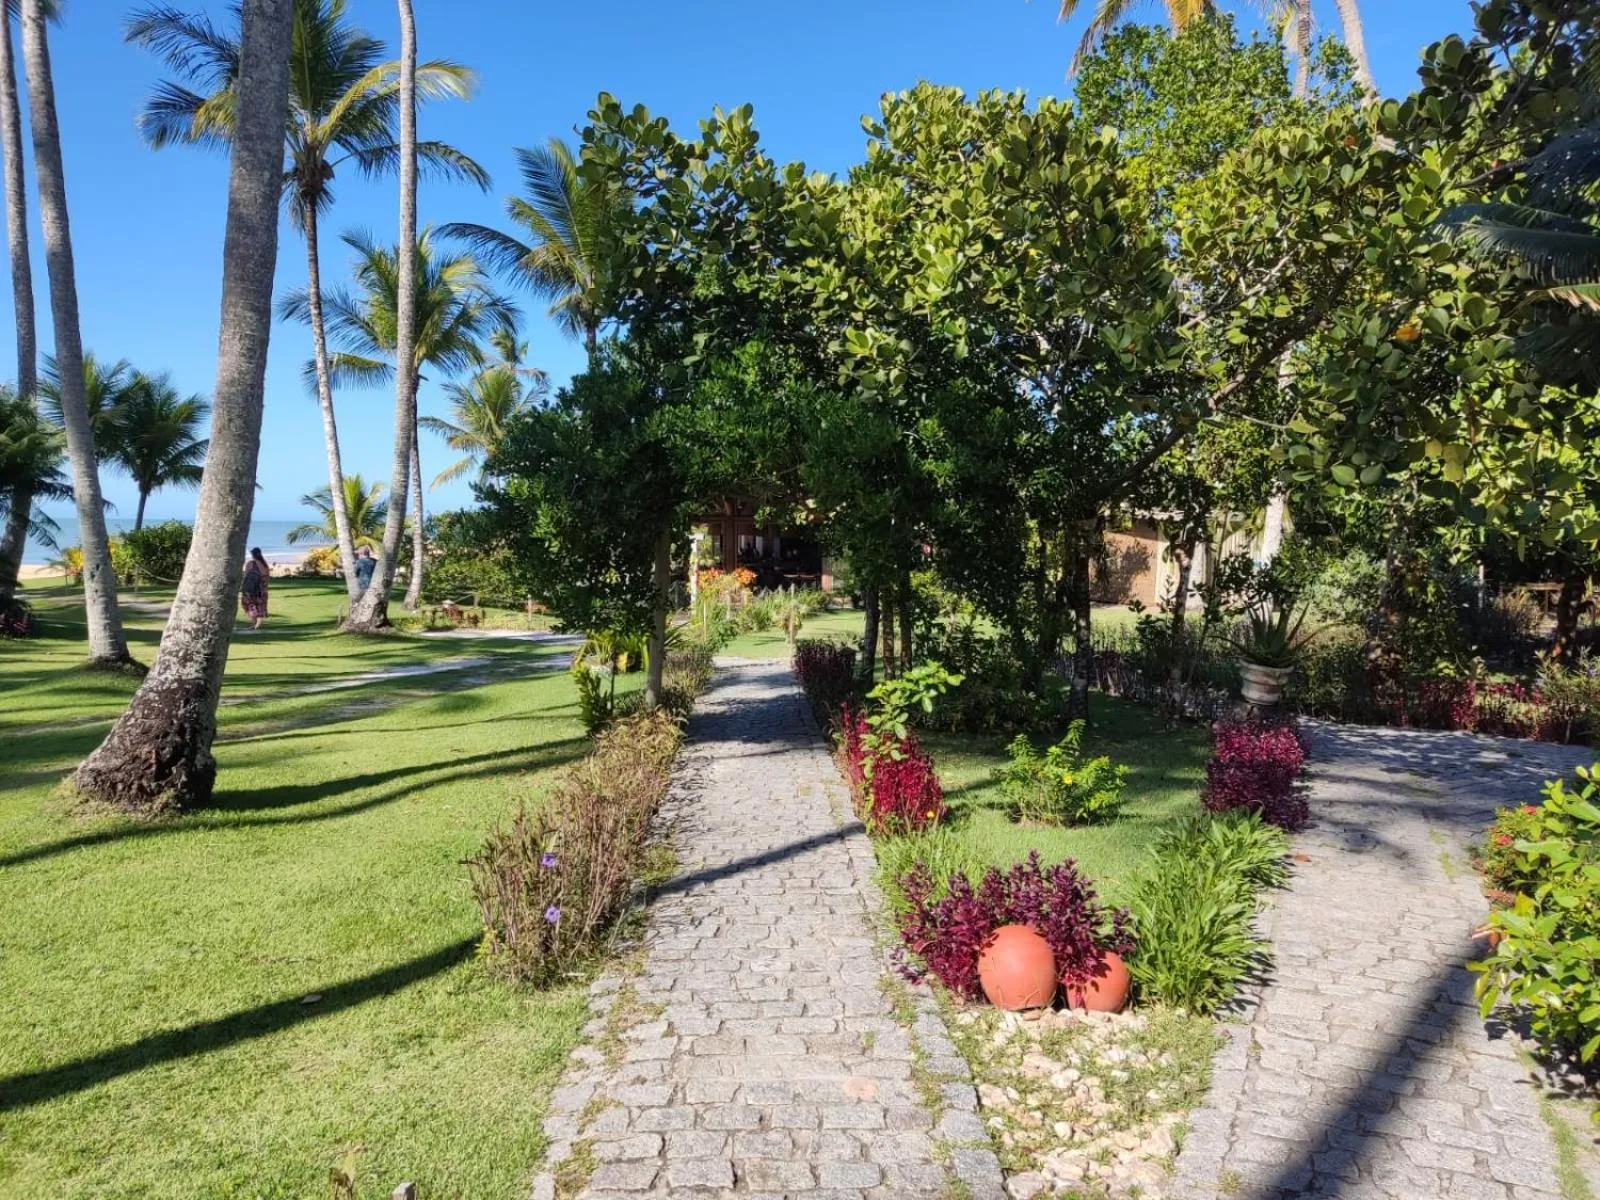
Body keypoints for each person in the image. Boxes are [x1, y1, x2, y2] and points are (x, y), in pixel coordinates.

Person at [240, 547, 270, 630]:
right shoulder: (264, 564)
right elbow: (266, 577)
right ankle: (258, 624)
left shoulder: (250, 563)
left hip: (251, 589)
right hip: (262, 589)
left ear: (252, 554)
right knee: (260, 605)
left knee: (250, 605)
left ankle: (255, 624)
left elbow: (246, 576)